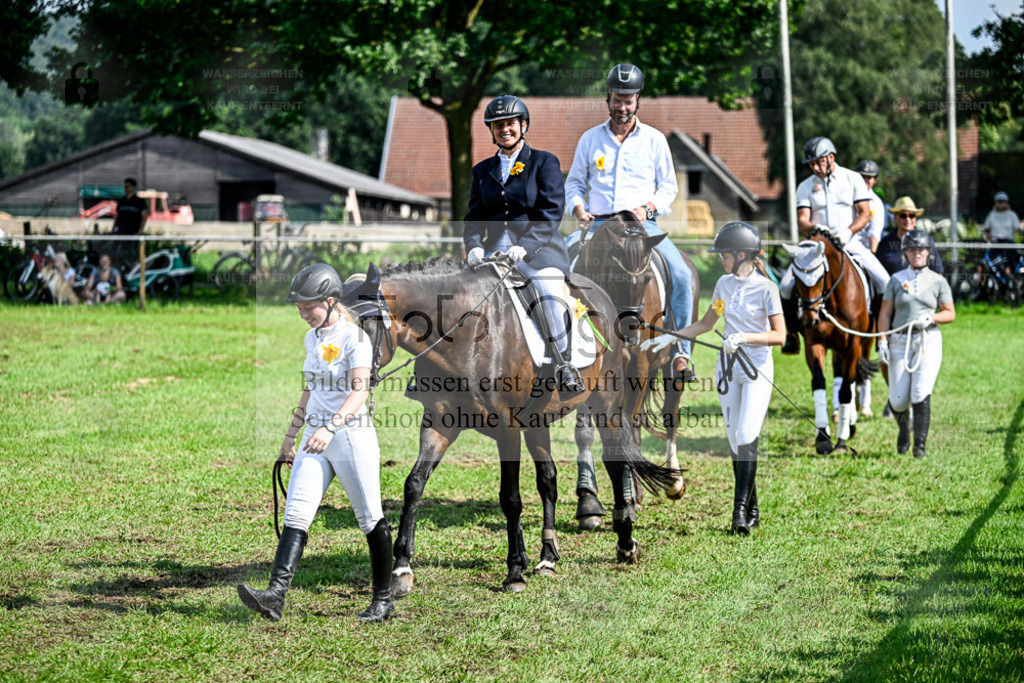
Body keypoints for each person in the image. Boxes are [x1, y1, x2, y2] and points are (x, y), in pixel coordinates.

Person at [237, 263, 394, 622]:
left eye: (309, 307)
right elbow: (309, 391)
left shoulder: (356, 339)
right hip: (314, 437)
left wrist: (331, 428)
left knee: (369, 517)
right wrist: (290, 436)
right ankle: (274, 597)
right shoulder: (312, 338)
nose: (304, 314)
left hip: (350, 436)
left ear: (331, 300)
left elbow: (359, 392)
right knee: (296, 514)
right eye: (299, 308)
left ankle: (383, 601)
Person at [641, 222, 784, 535]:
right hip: (728, 369)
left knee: (746, 434)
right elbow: (707, 323)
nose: (721, 259)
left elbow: (780, 335)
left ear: (741, 254)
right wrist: (670, 337)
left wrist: (744, 337)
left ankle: (738, 513)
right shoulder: (723, 285)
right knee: (735, 440)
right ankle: (752, 508)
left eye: (724, 255)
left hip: (757, 368)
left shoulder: (767, 289)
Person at [563, 63, 694, 377]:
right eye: (617, 100)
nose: (622, 107)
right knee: (558, 269)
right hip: (599, 225)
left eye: (628, 101)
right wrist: (579, 208)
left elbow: (668, 187)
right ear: (608, 99)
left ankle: (681, 351)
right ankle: (563, 354)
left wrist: (648, 208)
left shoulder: (654, 140)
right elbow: (574, 183)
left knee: (681, 275)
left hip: (641, 227)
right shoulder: (590, 139)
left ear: (638, 101)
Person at [464, 94, 584, 394]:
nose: (505, 129)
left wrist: (526, 246)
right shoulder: (482, 171)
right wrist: (474, 246)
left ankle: (564, 363)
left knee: (548, 291)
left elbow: (551, 213)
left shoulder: (544, 162)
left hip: (539, 252)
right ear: (492, 131)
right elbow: (475, 217)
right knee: (458, 292)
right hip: (493, 252)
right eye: (498, 125)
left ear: (523, 125)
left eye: (510, 124)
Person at [780, 137, 890, 355]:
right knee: (785, 285)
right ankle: (792, 335)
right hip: (816, 247)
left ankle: (881, 334)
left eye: (819, 162)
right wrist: (817, 229)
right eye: (811, 164)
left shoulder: (853, 179)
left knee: (885, 282)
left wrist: (848, 231)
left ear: (831, 158)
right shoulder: (805, 186)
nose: (815, 168)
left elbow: (865, 214)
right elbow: (802, 220)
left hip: (849, 243)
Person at [877, 230, 955, 458]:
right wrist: (882, 340)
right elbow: (885, 313)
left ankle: (920, 446)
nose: (916, 253)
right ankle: (904, 430)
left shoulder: (938, 281)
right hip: (899, 340)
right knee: (897, 400)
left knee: (920, 391)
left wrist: (932, 317)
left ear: (928, 252)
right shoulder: (896, 280)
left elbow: (950, 313)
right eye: (912, 249)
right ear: (905, 253)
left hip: (927, 340)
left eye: (921, 249)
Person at [877, 197, 944, 275]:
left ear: (915, 218)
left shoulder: (926, 241)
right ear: (895, 217)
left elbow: (938, 271)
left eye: (911, 215)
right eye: (903, 216)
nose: (908, 219)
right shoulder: (885, 244)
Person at [112, 177, 148, 266]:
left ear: (133, 187)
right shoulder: (121, 201)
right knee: (117, 252)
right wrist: (113, 229)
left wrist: (140, 231)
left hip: (133, 233)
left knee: (132, 254)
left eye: (127, 187)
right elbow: (117, 216)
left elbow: (144, 217)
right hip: (120, 232)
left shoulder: (140, 202)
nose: (126, 189)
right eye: (125, 187)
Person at [854, 160, 885, 253]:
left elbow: (874, 232)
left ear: (875, 180)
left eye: (869, 177)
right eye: (862, 176)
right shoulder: (845, 195)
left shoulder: (876, 203)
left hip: (863, 249)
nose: (865, 180)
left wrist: (872, 253)